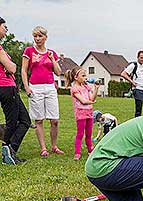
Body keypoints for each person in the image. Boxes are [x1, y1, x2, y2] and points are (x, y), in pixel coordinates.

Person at [21, 26, 63, 157]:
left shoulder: (52, 53)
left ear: (46, 37)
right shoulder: (29, 51)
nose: (37, 39)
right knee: (39, 120)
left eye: (40, 36)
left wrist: (52, 59)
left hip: (50, 87)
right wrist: (26, 87)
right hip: (35, 88)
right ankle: (43, 148)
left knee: (54, 120)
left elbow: (58, 72)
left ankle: (54, 146)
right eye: (35, 36)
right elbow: (23, 70)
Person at [0, 17, 31, 165]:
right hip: (5, 87)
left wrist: (9, 66)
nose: (6, 29)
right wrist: (10, 66)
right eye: (4, 26)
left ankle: (11, 150)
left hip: (10, 86)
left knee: (25, 120)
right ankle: (7, 152)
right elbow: (13, 68)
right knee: (12, 122)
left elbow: (10, 67)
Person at [64, 66, 99, 160]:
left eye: (85, 75)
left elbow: (92, 98)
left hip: (89, 113)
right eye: (83, 76)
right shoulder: (74, 89)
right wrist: (91, 102)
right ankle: (77, 152)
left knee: (89, 133)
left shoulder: (86, 87)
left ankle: (90, 150)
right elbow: (83, 101)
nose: (85, 78)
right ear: (76, 77)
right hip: (81, 114)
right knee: (80, 134)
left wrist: (96, 89)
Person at [121, 50, 143, 117]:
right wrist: (132, 81)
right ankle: (137, 125)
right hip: (138, 90)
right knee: (138, 110)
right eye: (141, 57)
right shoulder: (133, 65)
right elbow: (123, 74)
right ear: (137, 57)